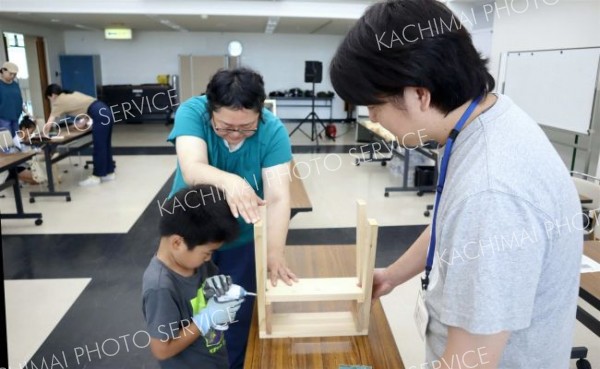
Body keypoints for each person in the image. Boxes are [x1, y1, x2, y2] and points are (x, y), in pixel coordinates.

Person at [330, 1, 583, 368]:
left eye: (374, 108)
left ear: (419, 94)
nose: (375, 120)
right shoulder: (485, 115)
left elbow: (470, 362)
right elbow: (451, 223)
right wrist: (392, 275)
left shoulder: (491, 192)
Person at [167, 67, 297, 369]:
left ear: (260, 113)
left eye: (247, 127)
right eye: (225, 126)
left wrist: (274, 253)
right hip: (190, 235)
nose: (236, 134)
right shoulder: (191, 112)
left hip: (239, 239)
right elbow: (192, 168)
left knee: (233, 317)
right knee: (188, 314)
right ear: (210, 110)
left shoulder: (273, 130)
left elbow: (278, 197)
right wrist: (233, 182)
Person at [142, 184, 244, 369]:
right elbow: (161, 350)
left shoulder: (197, 263)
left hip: (215, 360)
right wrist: (206, 318)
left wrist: (222, 293)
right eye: (206, 252)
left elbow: (210, 287)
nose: (209, 258)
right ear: (177, 243)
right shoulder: (161, 287)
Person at [44, 83, 115, 186]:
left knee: (99, 147)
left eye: (49, 99)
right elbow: (89, 106)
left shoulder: (59, 101)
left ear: (53, 95)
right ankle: (109, 173)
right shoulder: (71, 94)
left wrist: (44, 134)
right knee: (105, 145)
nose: (51, 101)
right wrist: (81, 123)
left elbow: (50, 122)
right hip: (104, 110)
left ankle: (96, 177)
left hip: (99, 116)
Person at [0, 61, 28, 137]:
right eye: (10, 74)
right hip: (3, 118)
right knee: (6, 140)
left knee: (16, 139)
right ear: (3, 71)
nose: (12, 76)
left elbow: (19, 100)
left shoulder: (15, 85)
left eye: (14, 74)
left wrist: (26, 111)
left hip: (15, 117)